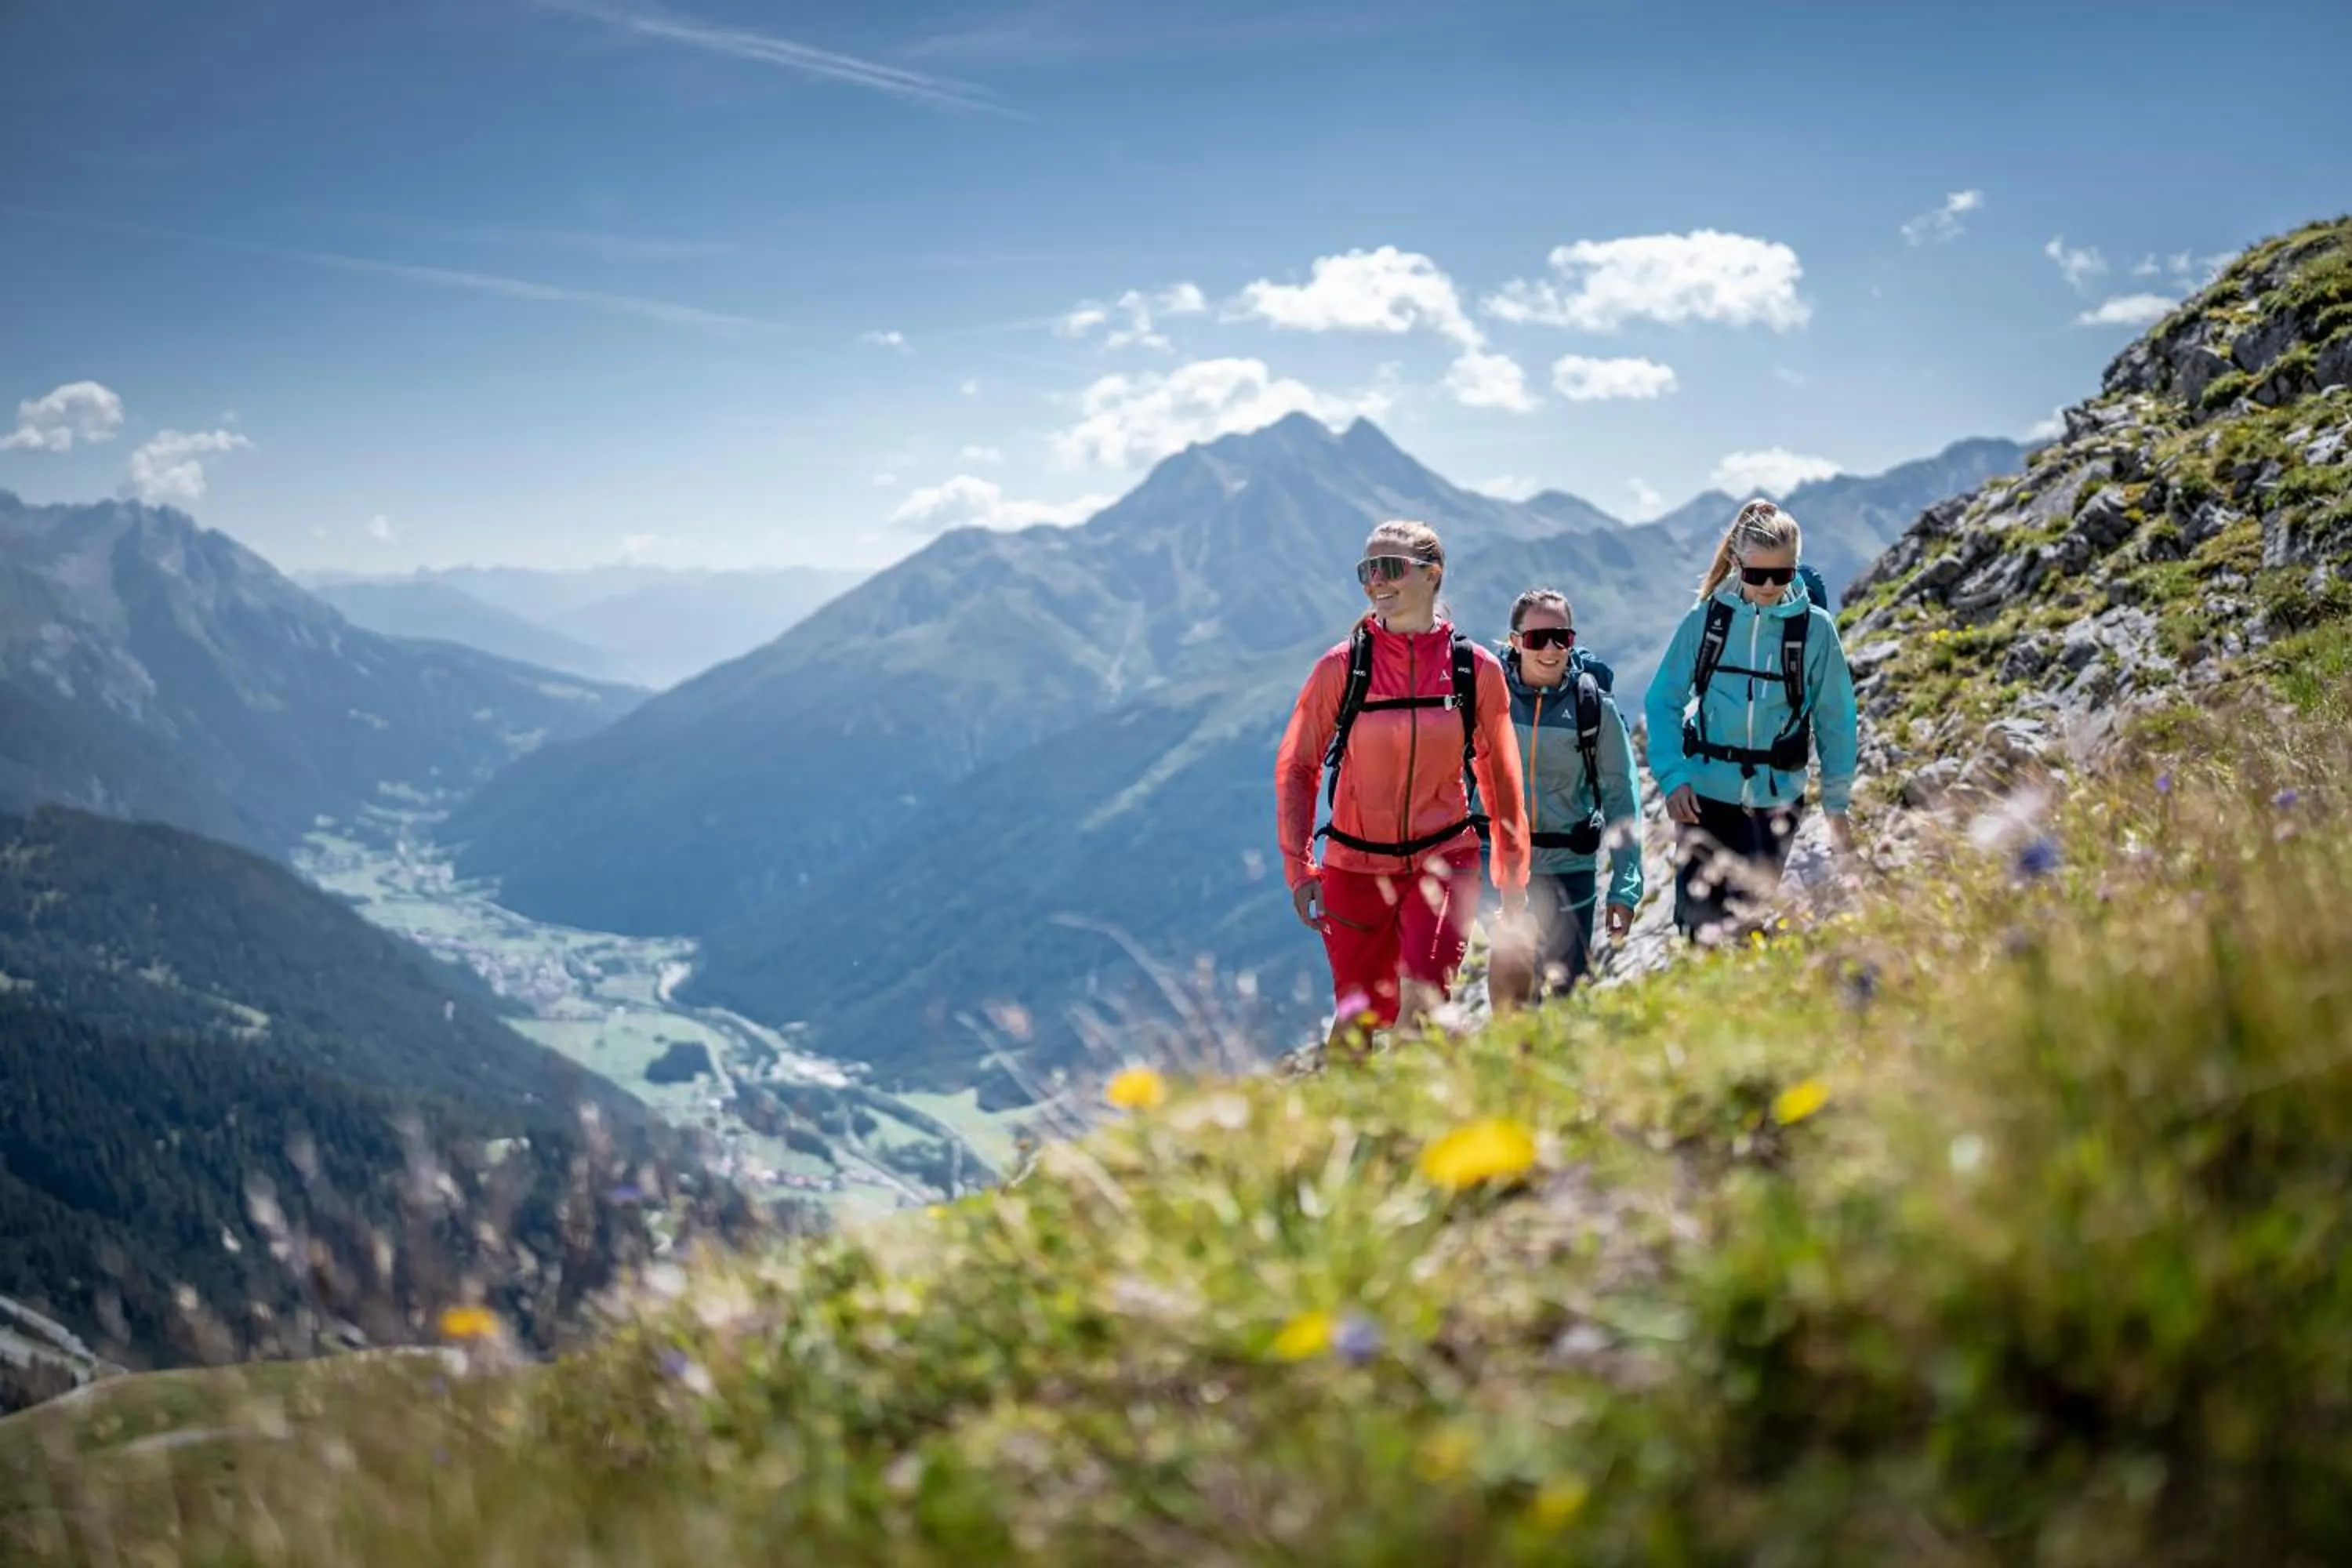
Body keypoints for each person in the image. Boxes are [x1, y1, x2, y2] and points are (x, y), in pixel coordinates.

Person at [1276, 520, 1530, 1049]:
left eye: (1389, 568)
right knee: (1358, 1020)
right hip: (1353, 866)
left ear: (1432, 575)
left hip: (1445, 858)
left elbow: (1500, 774)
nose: (1375, 582)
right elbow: (1297, 768)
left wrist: (1510, 871)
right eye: (1367, 570)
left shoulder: (1473, 669)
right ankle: (1350, 1131)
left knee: (1425, 998)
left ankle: (1426, 1126)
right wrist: (1300, 869)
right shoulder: (1342, 668)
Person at [1642, 499, 1859, 944]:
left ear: (1795, 567)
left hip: (1775, 803)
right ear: (1737, 564)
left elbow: (1836, 720)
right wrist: (1672, 777)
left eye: (1782, 575)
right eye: (1756, 574)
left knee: (1748, 924)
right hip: (1702, 798)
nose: (1768, 586)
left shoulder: (1815, 630)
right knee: (1697, 928)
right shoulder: (1707, 621)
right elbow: (1663, 700)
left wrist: (1836, 807)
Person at [1483, 589, 1643, 1011]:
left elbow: (1620, 797)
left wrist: (1625, 887)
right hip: (1499, 867)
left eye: (1562, 638)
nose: (1551, 649)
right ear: (1515, 641)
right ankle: (1506, 1074)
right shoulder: (1487, 700)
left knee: (1564, 995)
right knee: (1512, 992)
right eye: (1538, 639)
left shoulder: (1594, 709)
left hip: (1570, 870)